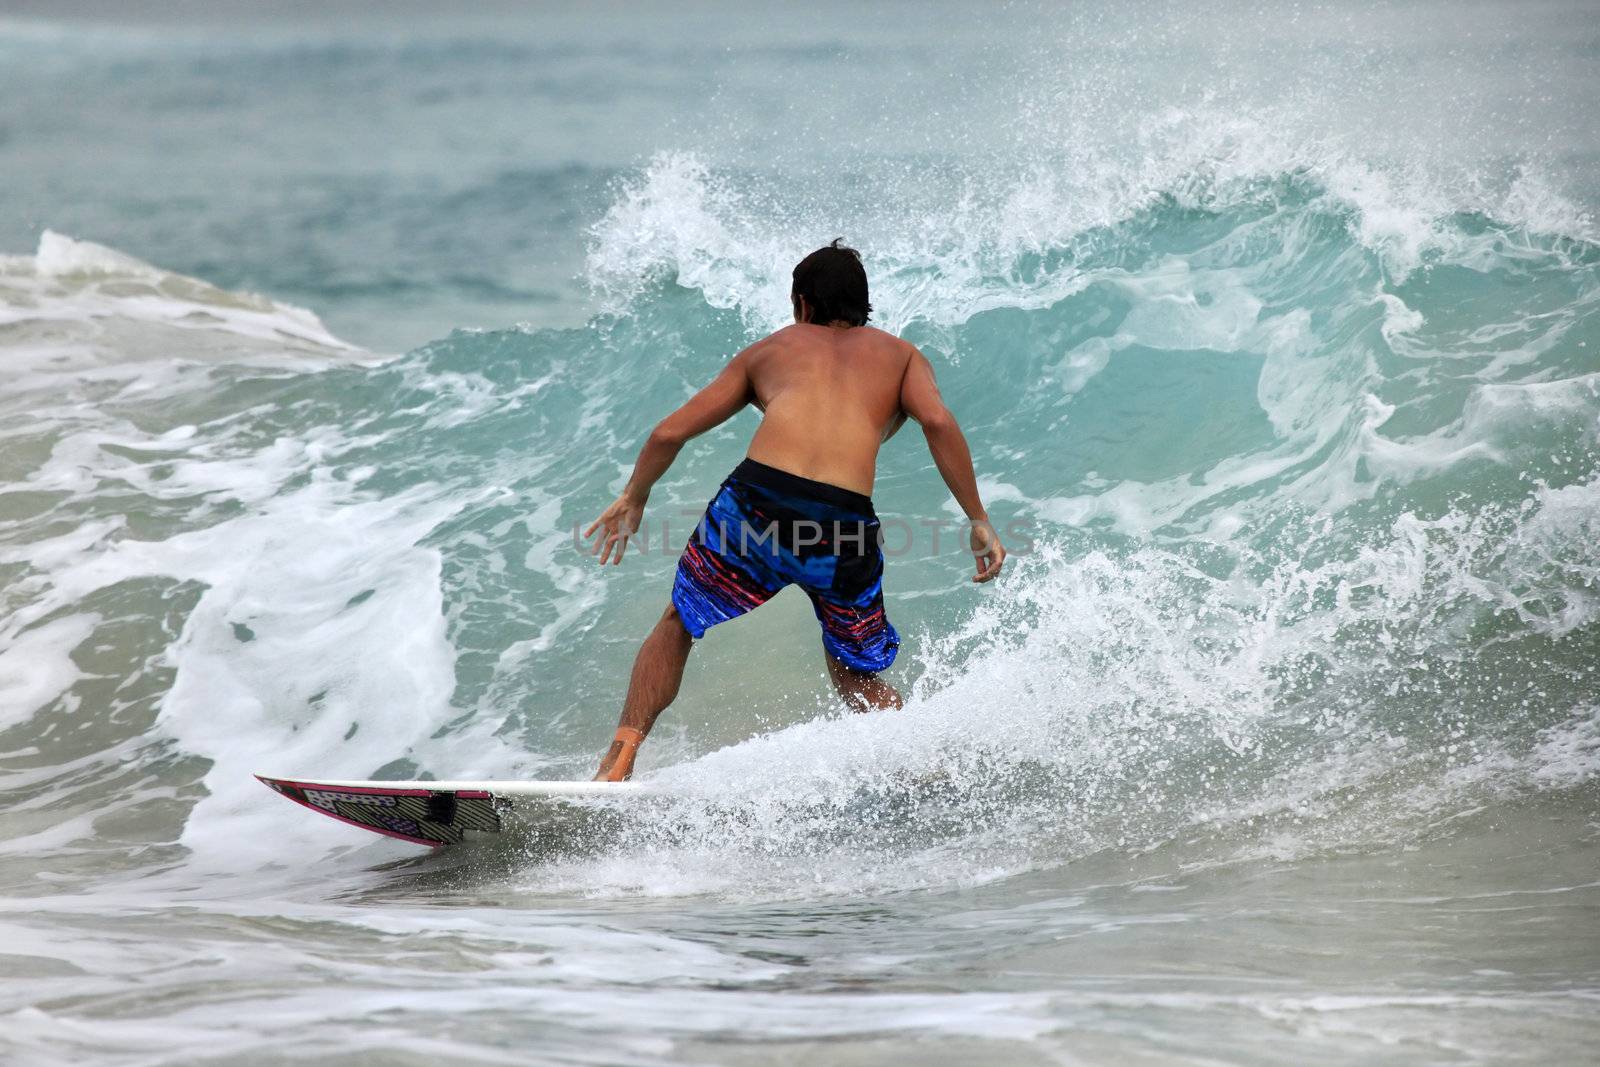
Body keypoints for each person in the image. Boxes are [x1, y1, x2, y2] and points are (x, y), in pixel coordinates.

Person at [584, 240, 1004, 781]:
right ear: (862, 305)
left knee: (678, 621)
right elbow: (940, 424)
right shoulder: (901, 356)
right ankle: (931, 771)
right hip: (843, 525)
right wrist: (978, 518)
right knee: (852, 672)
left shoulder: (769, 351)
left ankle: (618, 760)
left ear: (802, 302)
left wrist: (634, 496)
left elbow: (669, 431)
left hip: (756, 505)